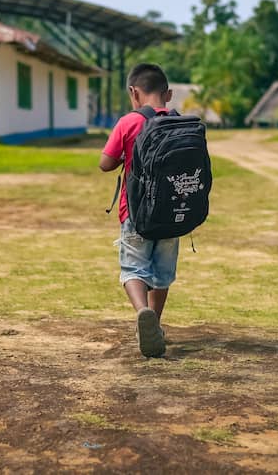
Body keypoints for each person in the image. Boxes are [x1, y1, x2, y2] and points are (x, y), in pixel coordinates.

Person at [99, 63, 178, 358]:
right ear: (168, 94)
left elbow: (105, 163)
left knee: (134, 269)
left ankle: (142, 311)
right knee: (162, 273)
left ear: (134, 92)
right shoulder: (179, 123)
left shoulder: (129, 122)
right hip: (173, 215)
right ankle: (154, 323)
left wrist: (127, 156)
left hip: (136, 213)